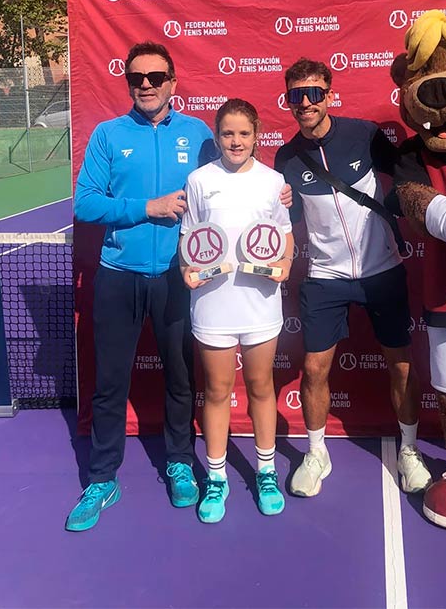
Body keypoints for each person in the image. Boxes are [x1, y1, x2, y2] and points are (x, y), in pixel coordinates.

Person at [65, 41, 218, 532]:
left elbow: (231, 186)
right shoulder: (109, 135)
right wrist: (145, 208)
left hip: (179, 275)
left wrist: (275, 192)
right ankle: (102, 477)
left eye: (156, 76)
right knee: (109, 383)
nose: (146, 85)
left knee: (180, 377)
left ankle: (178, 461)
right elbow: (85, 204)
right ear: (128, 83)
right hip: (118, 276)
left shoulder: (198, 134)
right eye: (137, 78)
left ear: (174, 82)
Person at [274, 58, 431, 497]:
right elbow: (288, 219)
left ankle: (411, 451)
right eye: (296, 96)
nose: (305, 103)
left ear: (328, 95)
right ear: (287, 102)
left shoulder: (364, 134)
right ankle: (316, 452)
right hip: (325, 276)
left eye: (313, 93)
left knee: (400, 364)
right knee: (312, 368)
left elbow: (407, 175)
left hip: (381, 269)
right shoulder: (285, 158)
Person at [180, 98, 293, 523]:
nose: (236, 141)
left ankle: (265, 472)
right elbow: (188, 241)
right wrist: (187, 271)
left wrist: (284, 264)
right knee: (216, 391)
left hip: (260, 302)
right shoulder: (197, 181)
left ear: (256, 135)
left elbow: (284, 236)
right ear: (216, 136)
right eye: (228, 133)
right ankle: (216, 477)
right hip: (212, 305)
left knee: (262, 386)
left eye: (244, 133)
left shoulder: (273, 181)